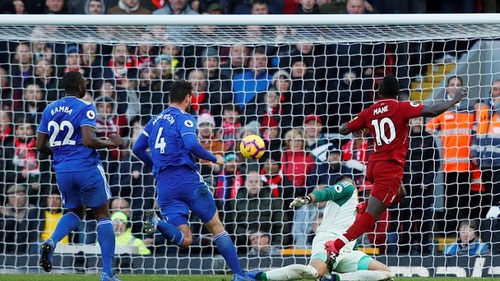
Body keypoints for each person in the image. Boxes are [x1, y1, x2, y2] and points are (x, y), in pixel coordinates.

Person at [324, 74, 467, 265]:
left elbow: (343, 129)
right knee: (370, 218)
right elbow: (432, 111)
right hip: (390, 168)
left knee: (401, 194)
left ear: (379, 92)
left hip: (373, 165)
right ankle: (337, 245)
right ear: (398, 94)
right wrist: (455, 99)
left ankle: (363, 205)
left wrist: (362, 127)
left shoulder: (370, 111)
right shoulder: (401, 107)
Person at [132, 80, 251, 281]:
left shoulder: (154, 121)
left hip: (164, 186)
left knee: (185, 239)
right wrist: (216, 158)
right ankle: (239, 275)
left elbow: (137, 148)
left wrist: (154, 165)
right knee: (215, 226)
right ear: (188, 98)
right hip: (187, 180)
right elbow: (192, 145)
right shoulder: (185, 118)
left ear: (170, 97)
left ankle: (156, 221)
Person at [36, 71, 123, 281]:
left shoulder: (49, 108)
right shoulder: (86, 107)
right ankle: (107, 274)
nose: (87, 85)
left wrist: (62, 153)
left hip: (63, 171)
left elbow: (40, 145)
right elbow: (88, 140)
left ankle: (52, 241)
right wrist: (111, 143)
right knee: (103, 215)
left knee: (75, 210)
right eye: (85, 82)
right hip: (86, 167)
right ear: (80, 87)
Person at [248, 175, 393, 281]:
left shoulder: (354, 206)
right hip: (328, 242)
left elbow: (351, 230)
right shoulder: (347, 186)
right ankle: (256, 276)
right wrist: (309, 198)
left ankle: (334, 279)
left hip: (347, 250)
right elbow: (327, 192)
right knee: (312, 272)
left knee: (385, 273)